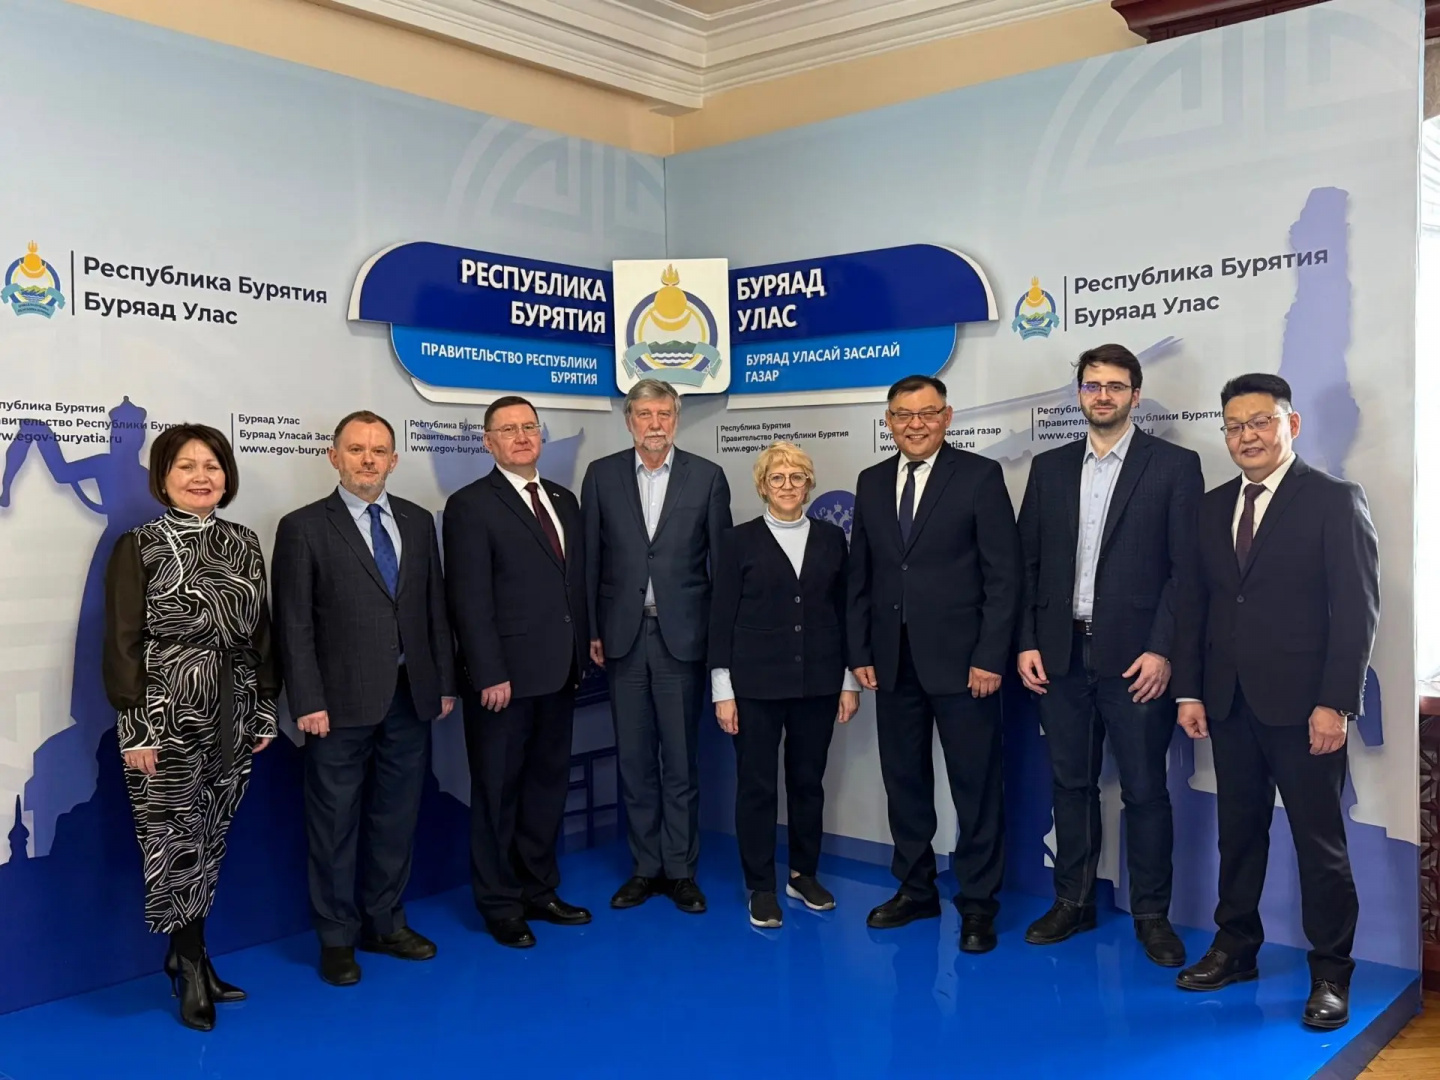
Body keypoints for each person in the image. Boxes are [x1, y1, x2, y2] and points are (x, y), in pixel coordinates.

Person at [1172, 373, 1379, 1030]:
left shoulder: (1333, 500)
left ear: (1291, 425)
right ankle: (1236, 947)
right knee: (1239, 835)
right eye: (1235, 426)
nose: (1247, 436)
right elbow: (1196, 605)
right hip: (1228, 704)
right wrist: (1190, 691)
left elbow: (1357, 611)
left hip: (1306, 709)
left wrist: (1335, 703)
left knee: (1320, 846)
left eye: (1260, 422)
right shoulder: (1211, 507)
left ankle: (1331, 973)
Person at [1015, 344, 1201, 966]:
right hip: (1061, 653)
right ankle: (1072, 901)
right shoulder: (1049, 468)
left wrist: (1162, 650)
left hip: (1136, 662)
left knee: (1145, 790)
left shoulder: (1174, 466)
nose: (1103, 395)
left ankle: (1151, 915)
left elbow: (1185, 572)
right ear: (1079, 394)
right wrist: (1027, 641)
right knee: (1071, 785)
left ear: (1135, 395)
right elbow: (1026, 564)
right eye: (1092, 385)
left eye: (1115, 386)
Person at [102, 424, 279, 1031]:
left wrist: (264, 705)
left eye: (212, 465)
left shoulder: (244, 541)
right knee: (173, 840)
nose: (201, 476)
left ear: (227, 476)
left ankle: (189, 954)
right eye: (185, 466)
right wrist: (136, 727)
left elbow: (260, 633)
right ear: (163, 477)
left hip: (233, 709)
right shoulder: (139, 544)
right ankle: (192, 969)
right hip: (164, 712)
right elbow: (122, 640)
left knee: (210, 837)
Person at [272, 411, 455, 987]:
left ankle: (385, 923)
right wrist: (306, 700)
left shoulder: (418, 521)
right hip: (336, 706)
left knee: (396, 818)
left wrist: (443, 681)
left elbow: (433, 608)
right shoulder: (303, 527)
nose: (368, 460)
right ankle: (336, 938)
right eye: (356, 449)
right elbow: (293, 624)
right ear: (334, 457)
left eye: (378, 451)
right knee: (333, 825)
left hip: (410, 697)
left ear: (394, 460)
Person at [848, 374, 1020, 953]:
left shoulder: (979, 476)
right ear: (889, 421)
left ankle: (978, 903)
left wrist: (990, 656)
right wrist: (860, 652)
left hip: (966, 666)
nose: (915, 424)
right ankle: (915, 889)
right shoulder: (871, 481)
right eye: (903, 415)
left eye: (927, 413)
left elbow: (1003, 576)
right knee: (904, 782)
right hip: (892, 663)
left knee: (976, 787)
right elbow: (862, 575)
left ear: (947, 417)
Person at [444, 395, 591, 948]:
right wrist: (488, 672)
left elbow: (572, 584)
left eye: (530, 427)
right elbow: (469, 598)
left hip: (560, 671)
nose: (522, 437)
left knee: (545, 789)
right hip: (502, 681)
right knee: (497, 794)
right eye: (508, 430)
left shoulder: (564, 500)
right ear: (488, 442)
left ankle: (539, 890)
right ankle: (500, 904)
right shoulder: (469, 505)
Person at [582, 378, 732, 914]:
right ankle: (645, 867)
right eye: (644, 414)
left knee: (681, 761)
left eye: (663, 414)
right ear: (629, 421)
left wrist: (719, 645)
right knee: (635, 760)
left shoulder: (707, 477)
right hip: (623, 639)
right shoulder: (600, 475)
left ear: (676, 418)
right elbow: (590, 561)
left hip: (682, 640)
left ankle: (680, 870)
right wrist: (593, 630)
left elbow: (721, 570)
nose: (654, 424)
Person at [709, 441, 861, 928]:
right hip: (753, 686)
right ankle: (761, 886)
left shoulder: (832, 539)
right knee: (756, 787)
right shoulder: (737, 541)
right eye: (778, 478)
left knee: (807, 783)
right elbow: (720, 618)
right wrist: (722, 689)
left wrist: (849, 680)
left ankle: (802, 875)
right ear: (762, 485)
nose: (788, 486)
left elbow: (843, 612)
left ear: (809, 484)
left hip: (819, 681)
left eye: (797, 477)